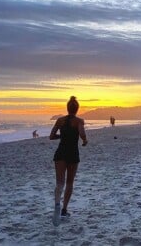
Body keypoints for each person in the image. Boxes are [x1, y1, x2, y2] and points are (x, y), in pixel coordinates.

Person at [49, 96, 88, 226]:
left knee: (59, 183)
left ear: (67, 108)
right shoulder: (79, 121)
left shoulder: (60, 120)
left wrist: (62, 135)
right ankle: (64, 210)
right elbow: (82, 134)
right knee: (70, 182)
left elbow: (51, 136)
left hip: (60, 153)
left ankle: (56, 205)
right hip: (73, 154)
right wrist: (84, 141)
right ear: (77, 109)